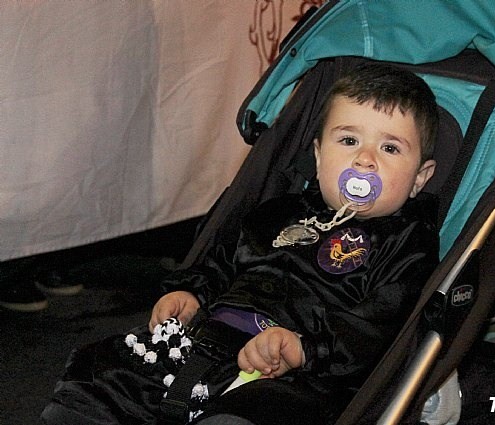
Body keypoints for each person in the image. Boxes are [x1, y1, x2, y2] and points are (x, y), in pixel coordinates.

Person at [41, 62, 441, 425]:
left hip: (292, 373)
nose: (365, 160)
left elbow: (378, 326)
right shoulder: (277, 212)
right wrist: (189, 291)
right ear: (319, 157)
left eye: (389, 148)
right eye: (349, 141)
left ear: (420, 178)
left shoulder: (407, 242)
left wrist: (305, 348)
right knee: (99, 374)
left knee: (261, 415)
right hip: (203, 340)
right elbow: (220, 263)